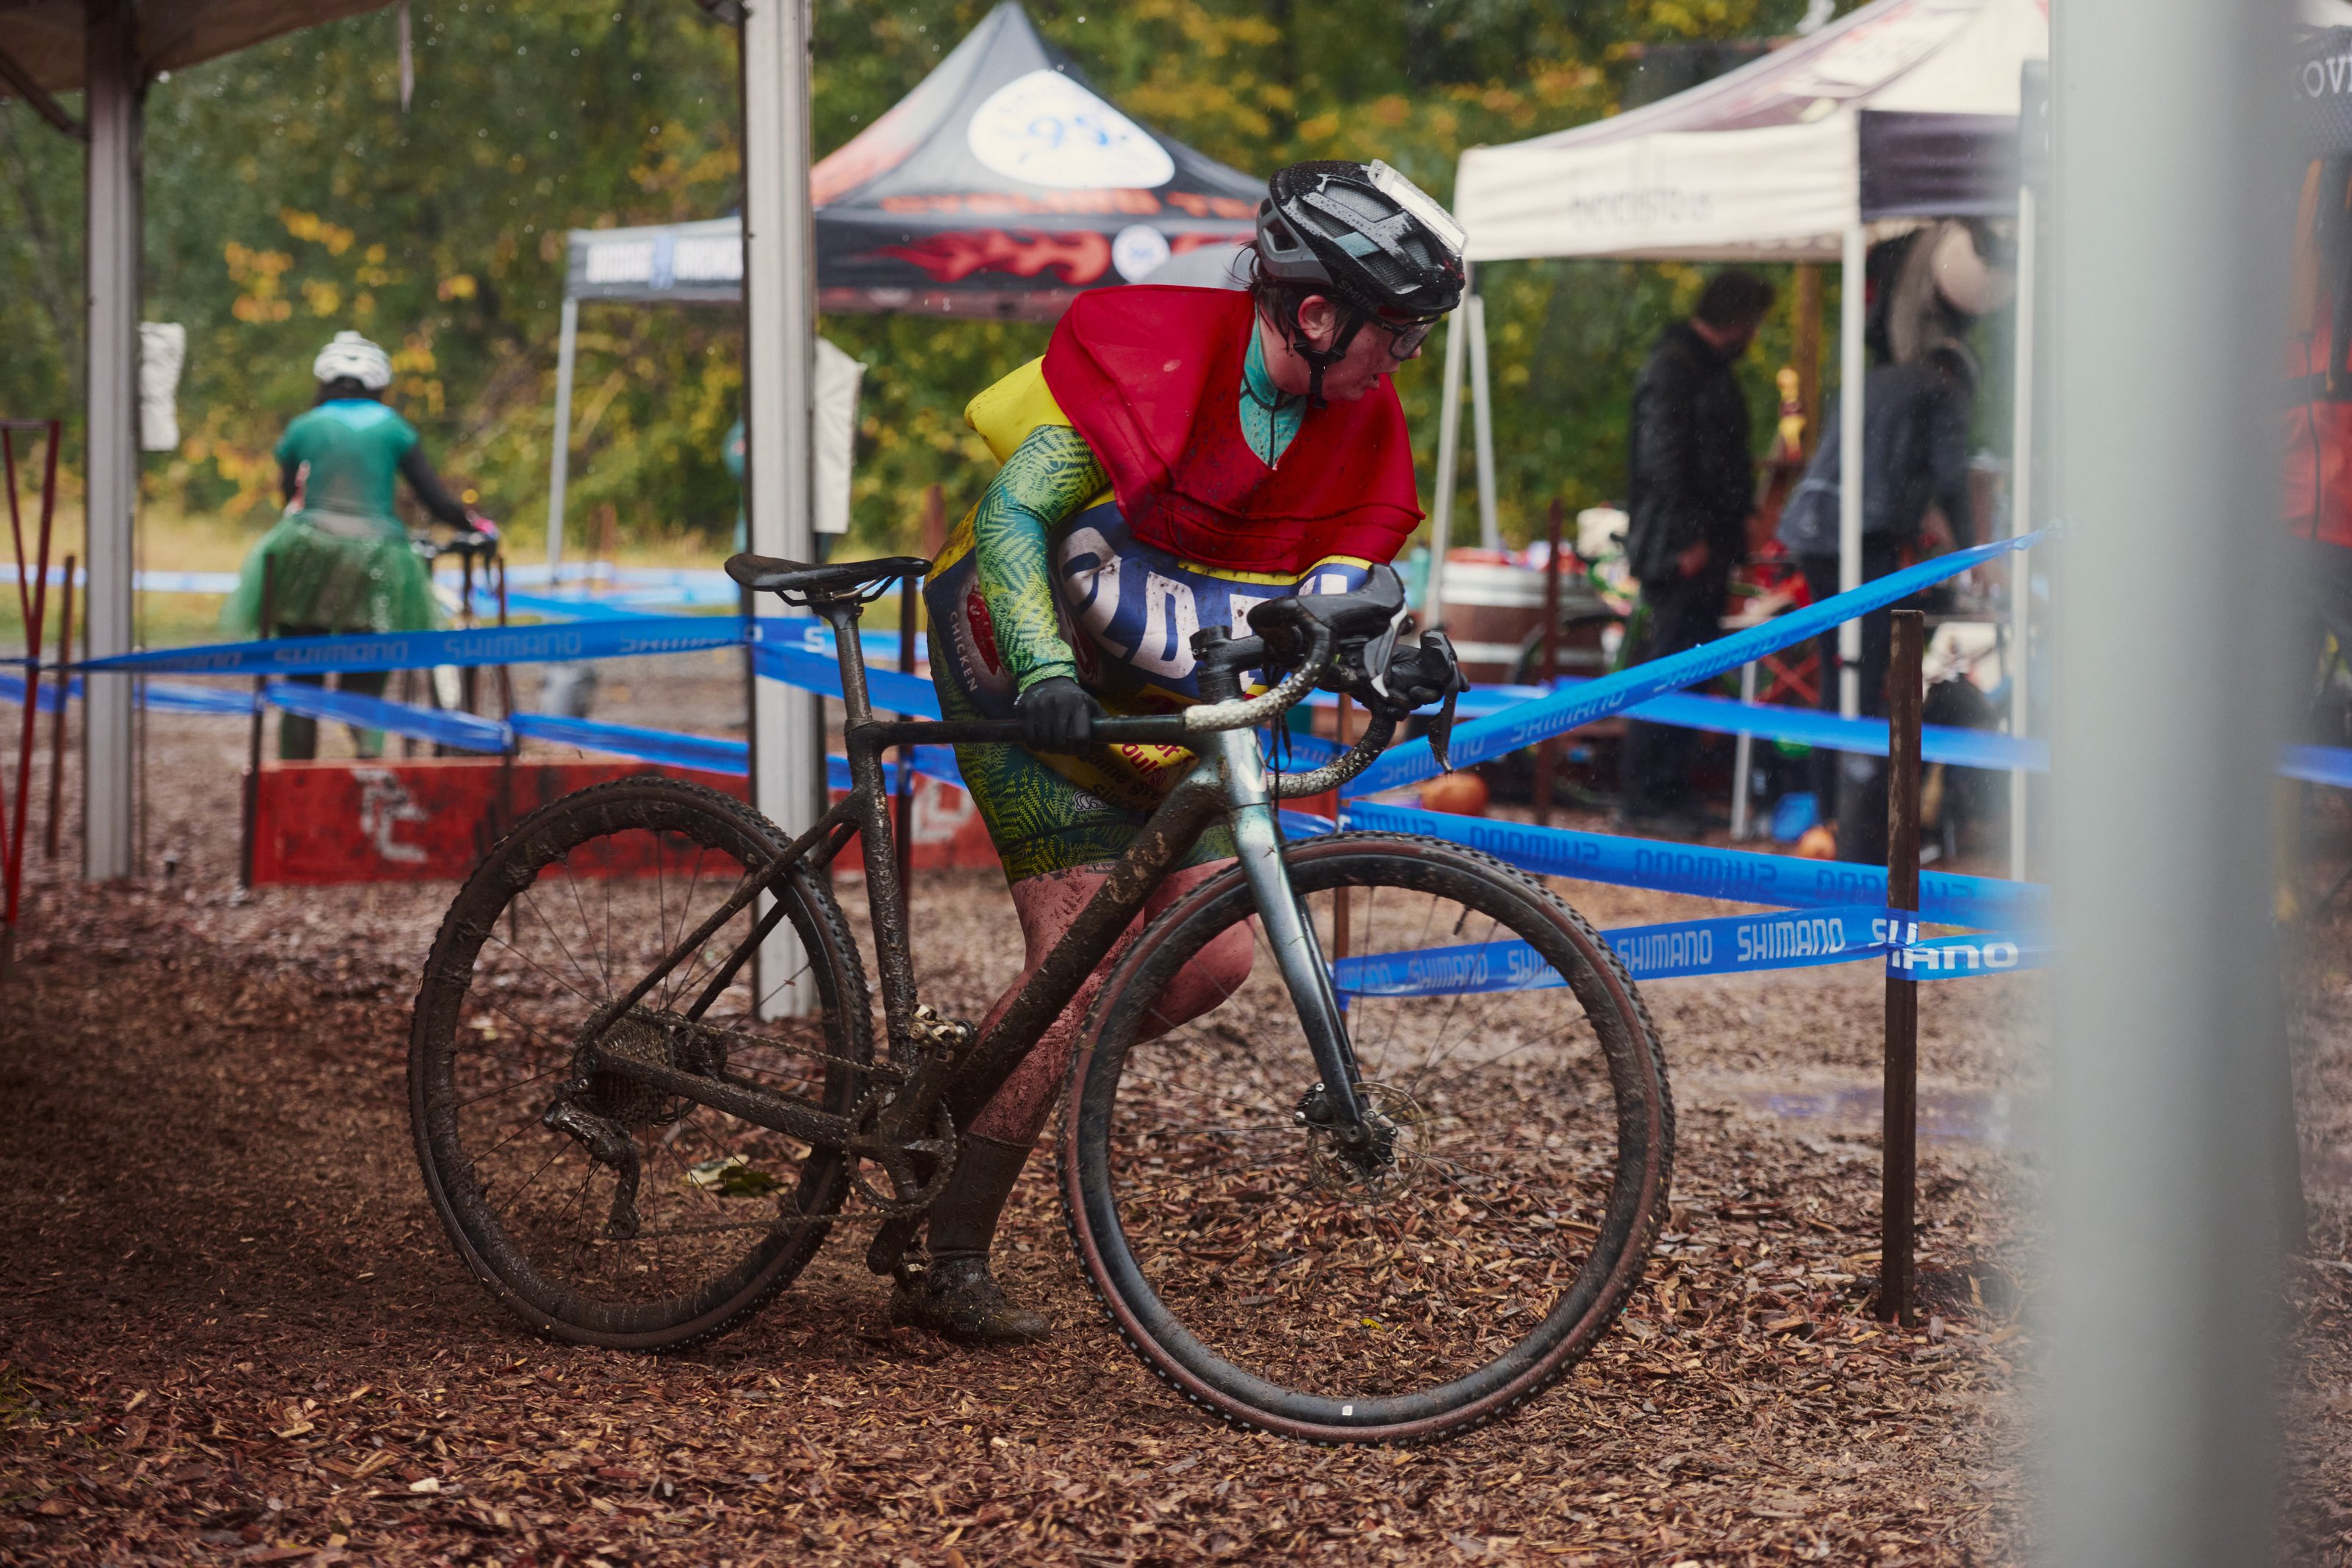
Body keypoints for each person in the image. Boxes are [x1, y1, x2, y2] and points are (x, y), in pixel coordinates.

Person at [903, 159, 1467, 1345]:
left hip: (1166, 698)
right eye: (1399, 332)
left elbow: (1335, 595)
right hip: (1021, 656)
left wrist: (1394, 662)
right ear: (1317, 315)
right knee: (1080, 972)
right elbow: (1013, 514)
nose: (1404, 358)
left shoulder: (1353, 419)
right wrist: (1043, 671)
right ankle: (941, 1246)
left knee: (1205, 963)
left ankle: (952, 1095)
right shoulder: (1163, 364)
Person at [225, 331, 487, 758]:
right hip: (378, 557)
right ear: (379, 384)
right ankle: (368, 764)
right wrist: (473, 524)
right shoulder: (394, 428)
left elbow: (289, 494)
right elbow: (434, 499)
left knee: (301, 678)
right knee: (366, 669)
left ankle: (295, 773)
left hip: (307, 551)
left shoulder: (304, 426)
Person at [1777, 338, 1980, 858]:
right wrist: (1972, 553)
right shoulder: (1944, 392)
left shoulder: (1878, 382)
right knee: (1868, 680)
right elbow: (1951, 480)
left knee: (1839, 678)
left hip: (1813, 528)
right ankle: (1863, 828)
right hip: (1860, 537)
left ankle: (1830, 815)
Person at [1616, 269, 1776, 836]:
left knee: (1694, 668)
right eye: (1754, 322)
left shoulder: (1703, 368)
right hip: (1680, 547)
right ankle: (1644, 797)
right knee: (1670, 667)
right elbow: (1663, 458)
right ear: (1738, 318)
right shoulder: (1674, 367)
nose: (1755, 334)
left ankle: (1672, 788)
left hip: (1706, 543)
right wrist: (1687, 538)